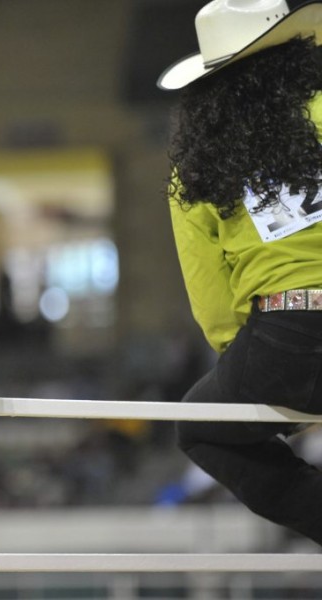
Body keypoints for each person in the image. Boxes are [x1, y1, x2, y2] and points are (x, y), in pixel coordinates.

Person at [159, 0, 322, 545]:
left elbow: (213, 304)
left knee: (201, 429)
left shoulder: (197, 167)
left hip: (284, 340)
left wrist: (255, 379)